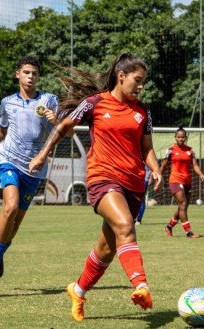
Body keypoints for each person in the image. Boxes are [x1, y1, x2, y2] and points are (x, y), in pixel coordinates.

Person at [29, 52, 162, 322]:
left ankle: (77, 290)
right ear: (121, 76)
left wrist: (156, 168)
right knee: (125, 226)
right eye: (137, 80)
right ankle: (141, 285)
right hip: (103, 178)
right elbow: (63, 126)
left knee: (107, 248)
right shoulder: (94, 104)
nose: (141, 86)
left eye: (144, 82)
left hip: (134, 184)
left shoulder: (143, 112)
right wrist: (43, 154)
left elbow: (146, 147)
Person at [0, 55, 58, 290]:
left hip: (34, 168)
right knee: (10, 206)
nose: (30, 77)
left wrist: (55, 119)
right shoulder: (7, 102)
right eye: (26, 72)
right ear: (17, 74)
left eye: (34, 73)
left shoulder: (49, 100)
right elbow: (2, 132)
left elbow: (63, 133)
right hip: (8, 160)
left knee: (15, 223)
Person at [159, 124, 204, 238]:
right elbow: (163, 166)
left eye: (183, 137)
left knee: (182, 207)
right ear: (175, 137)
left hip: (187, 181)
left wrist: (200, 174)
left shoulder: (190, 151)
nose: (181, 139)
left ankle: (169, 227)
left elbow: (194, 165)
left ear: (185, 138)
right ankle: (188, 232)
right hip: (175, 180)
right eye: (179, 137)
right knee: (183, 204)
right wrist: (158, 176)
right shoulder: (170, 150)